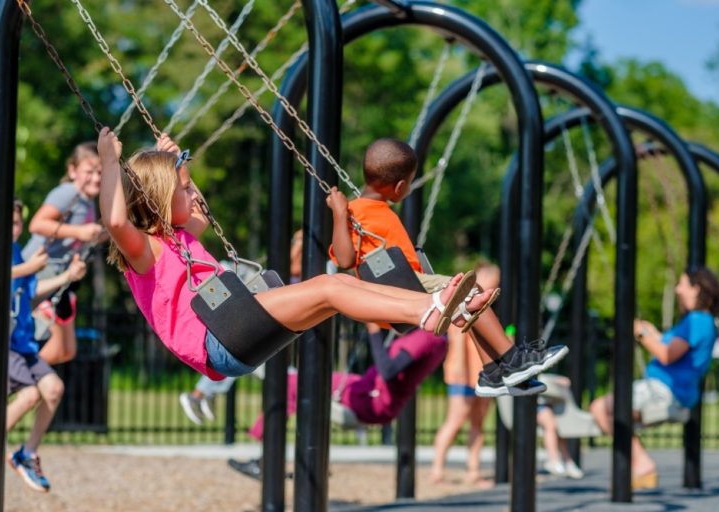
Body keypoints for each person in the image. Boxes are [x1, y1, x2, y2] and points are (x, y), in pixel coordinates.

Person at [97, 128, 499, 384]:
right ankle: (428, 309)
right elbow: (116, 221)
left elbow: (199, 209)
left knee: (340, 286)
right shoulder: (146, 250)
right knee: (327, 286)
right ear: (161, 198)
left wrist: (176, 162)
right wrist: (109, 160)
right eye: (183, 191)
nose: (193, 197)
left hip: (231, 333)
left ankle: (443, 306)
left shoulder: (180, 236)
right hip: (217, 336)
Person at [328, 138, 567, 397]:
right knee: (468, 291)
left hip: (407, 283)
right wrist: (340, 214)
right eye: (409, 183)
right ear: (399, 187)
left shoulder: (373, 209)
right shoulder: (354, 211)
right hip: (398, 289)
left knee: (465, 301)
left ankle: (492, 373)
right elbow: (343, 260)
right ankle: (513, 359)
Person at [0, 199, 87, 492]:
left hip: (22, 343)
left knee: (53, 389)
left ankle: (26, 454)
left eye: (18, 223)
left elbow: (31, 290)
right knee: (31, 394)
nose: (14, 229)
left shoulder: (18, 252)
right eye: (9, 223)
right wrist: (30, 267)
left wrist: (66, 277)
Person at [229, 324, 448, 480]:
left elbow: (388, 370)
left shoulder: (428, 338)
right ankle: (290, 460)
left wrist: (373, 332)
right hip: (367, 389)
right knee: (300, 381)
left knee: (291, 384)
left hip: (372, 399)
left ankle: (266, 459)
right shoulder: (435, 337)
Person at [590, 267, 719, 490]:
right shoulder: (701, 321)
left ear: (696, 289)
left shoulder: (696, 320)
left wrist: (640, 333)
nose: (677, 289)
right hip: (677, 392)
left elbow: (667, 354)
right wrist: (652, 332)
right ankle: (640, 464)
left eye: (682, 284)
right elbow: (671, 344)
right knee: (617, 419)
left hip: (663, 390)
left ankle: (642, 462)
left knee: (600, 408)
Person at [180, 229, 305, 424]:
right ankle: (199, 395)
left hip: (272, 327)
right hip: (258, 319)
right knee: (239, 356)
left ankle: (202, 394)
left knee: (242, 360)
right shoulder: (283, 268)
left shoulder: (303, 274)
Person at [22, 141, 104, 365]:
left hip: (62, 276)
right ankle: (18, 372)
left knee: (66, 351)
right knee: (53, 346)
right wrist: (79, 231)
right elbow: (37, 224)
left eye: (100, 172)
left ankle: (25, 377)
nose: (96, 178)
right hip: (41, 272)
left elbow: (85, 237)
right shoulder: (68, 193)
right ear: (72, 171)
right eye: (89, 172)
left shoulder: (88, 201)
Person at [429, 261, 500, 488]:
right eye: (491, 279)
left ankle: (473, 470)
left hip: (480, 373)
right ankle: (437, 469)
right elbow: (457, 339)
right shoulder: (463, 305)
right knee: (455, 421)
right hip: (464, 375)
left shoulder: (486, 310)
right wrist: (460, 371)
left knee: (478, 424)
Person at [536, 375, 584, 480]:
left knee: (558, 429)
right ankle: (554, 460)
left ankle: (567, 460)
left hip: (545, 405)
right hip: (535, 405)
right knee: (551, 425)